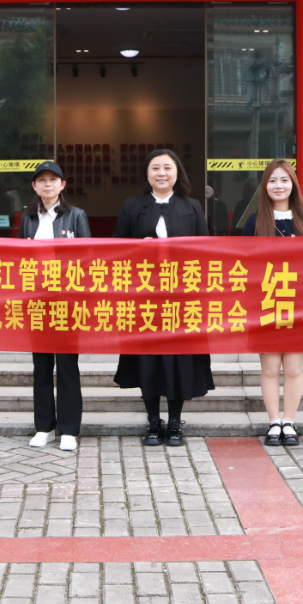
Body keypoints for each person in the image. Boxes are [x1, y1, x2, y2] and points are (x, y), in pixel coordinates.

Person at [113, 149, 214, 447]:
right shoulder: (132, 206)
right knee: (147, 360)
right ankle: (153, 422)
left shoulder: (192, 206)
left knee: (179, 359)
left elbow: (206, 251)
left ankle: (175, 422)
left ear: (177, 173)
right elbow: (115, 249)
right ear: (147, 175)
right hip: (144, 298)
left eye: (167, 167)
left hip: (182, 299)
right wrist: (138, 248)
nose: (161, 173)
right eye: (155, 168)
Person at [242, 159, 303, 447]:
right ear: (265, 186)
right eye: (273, 180)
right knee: (270, 369)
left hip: (299, 303)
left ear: (293, 185)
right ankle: (274, 421)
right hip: (267, 303)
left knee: (294, 369)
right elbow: (244, 263)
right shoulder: (255, 221)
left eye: (284, 180)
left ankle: (289, 421)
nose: (278, 186)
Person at [19, 160, 91, 452]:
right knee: (41, 366)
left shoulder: (76, 215)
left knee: (67, 366)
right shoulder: (27, 217)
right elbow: (19, 258)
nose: (47, 184)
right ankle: (44, 427)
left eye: (53, 179)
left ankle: (69, 429)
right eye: (42, 180)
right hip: (37, 301)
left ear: (62, 185)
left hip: (67, 302)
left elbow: (87, 258)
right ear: (34, 186)